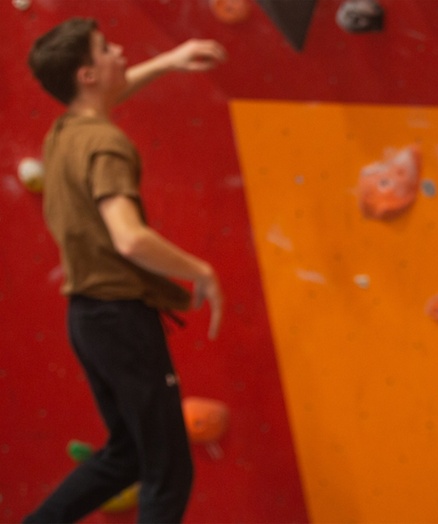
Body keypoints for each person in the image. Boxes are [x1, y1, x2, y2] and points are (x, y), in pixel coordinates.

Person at [25, 17, 226, 523]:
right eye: (105, 48)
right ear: (87, 75)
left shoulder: (65, 132)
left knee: (129, 455)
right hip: (120, 321)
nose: (119, 51)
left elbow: (112, 94)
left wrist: (171, 60)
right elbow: (130, 237)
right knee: (168, 470)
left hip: (88, 320)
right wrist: (200, 269)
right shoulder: (106, 143)